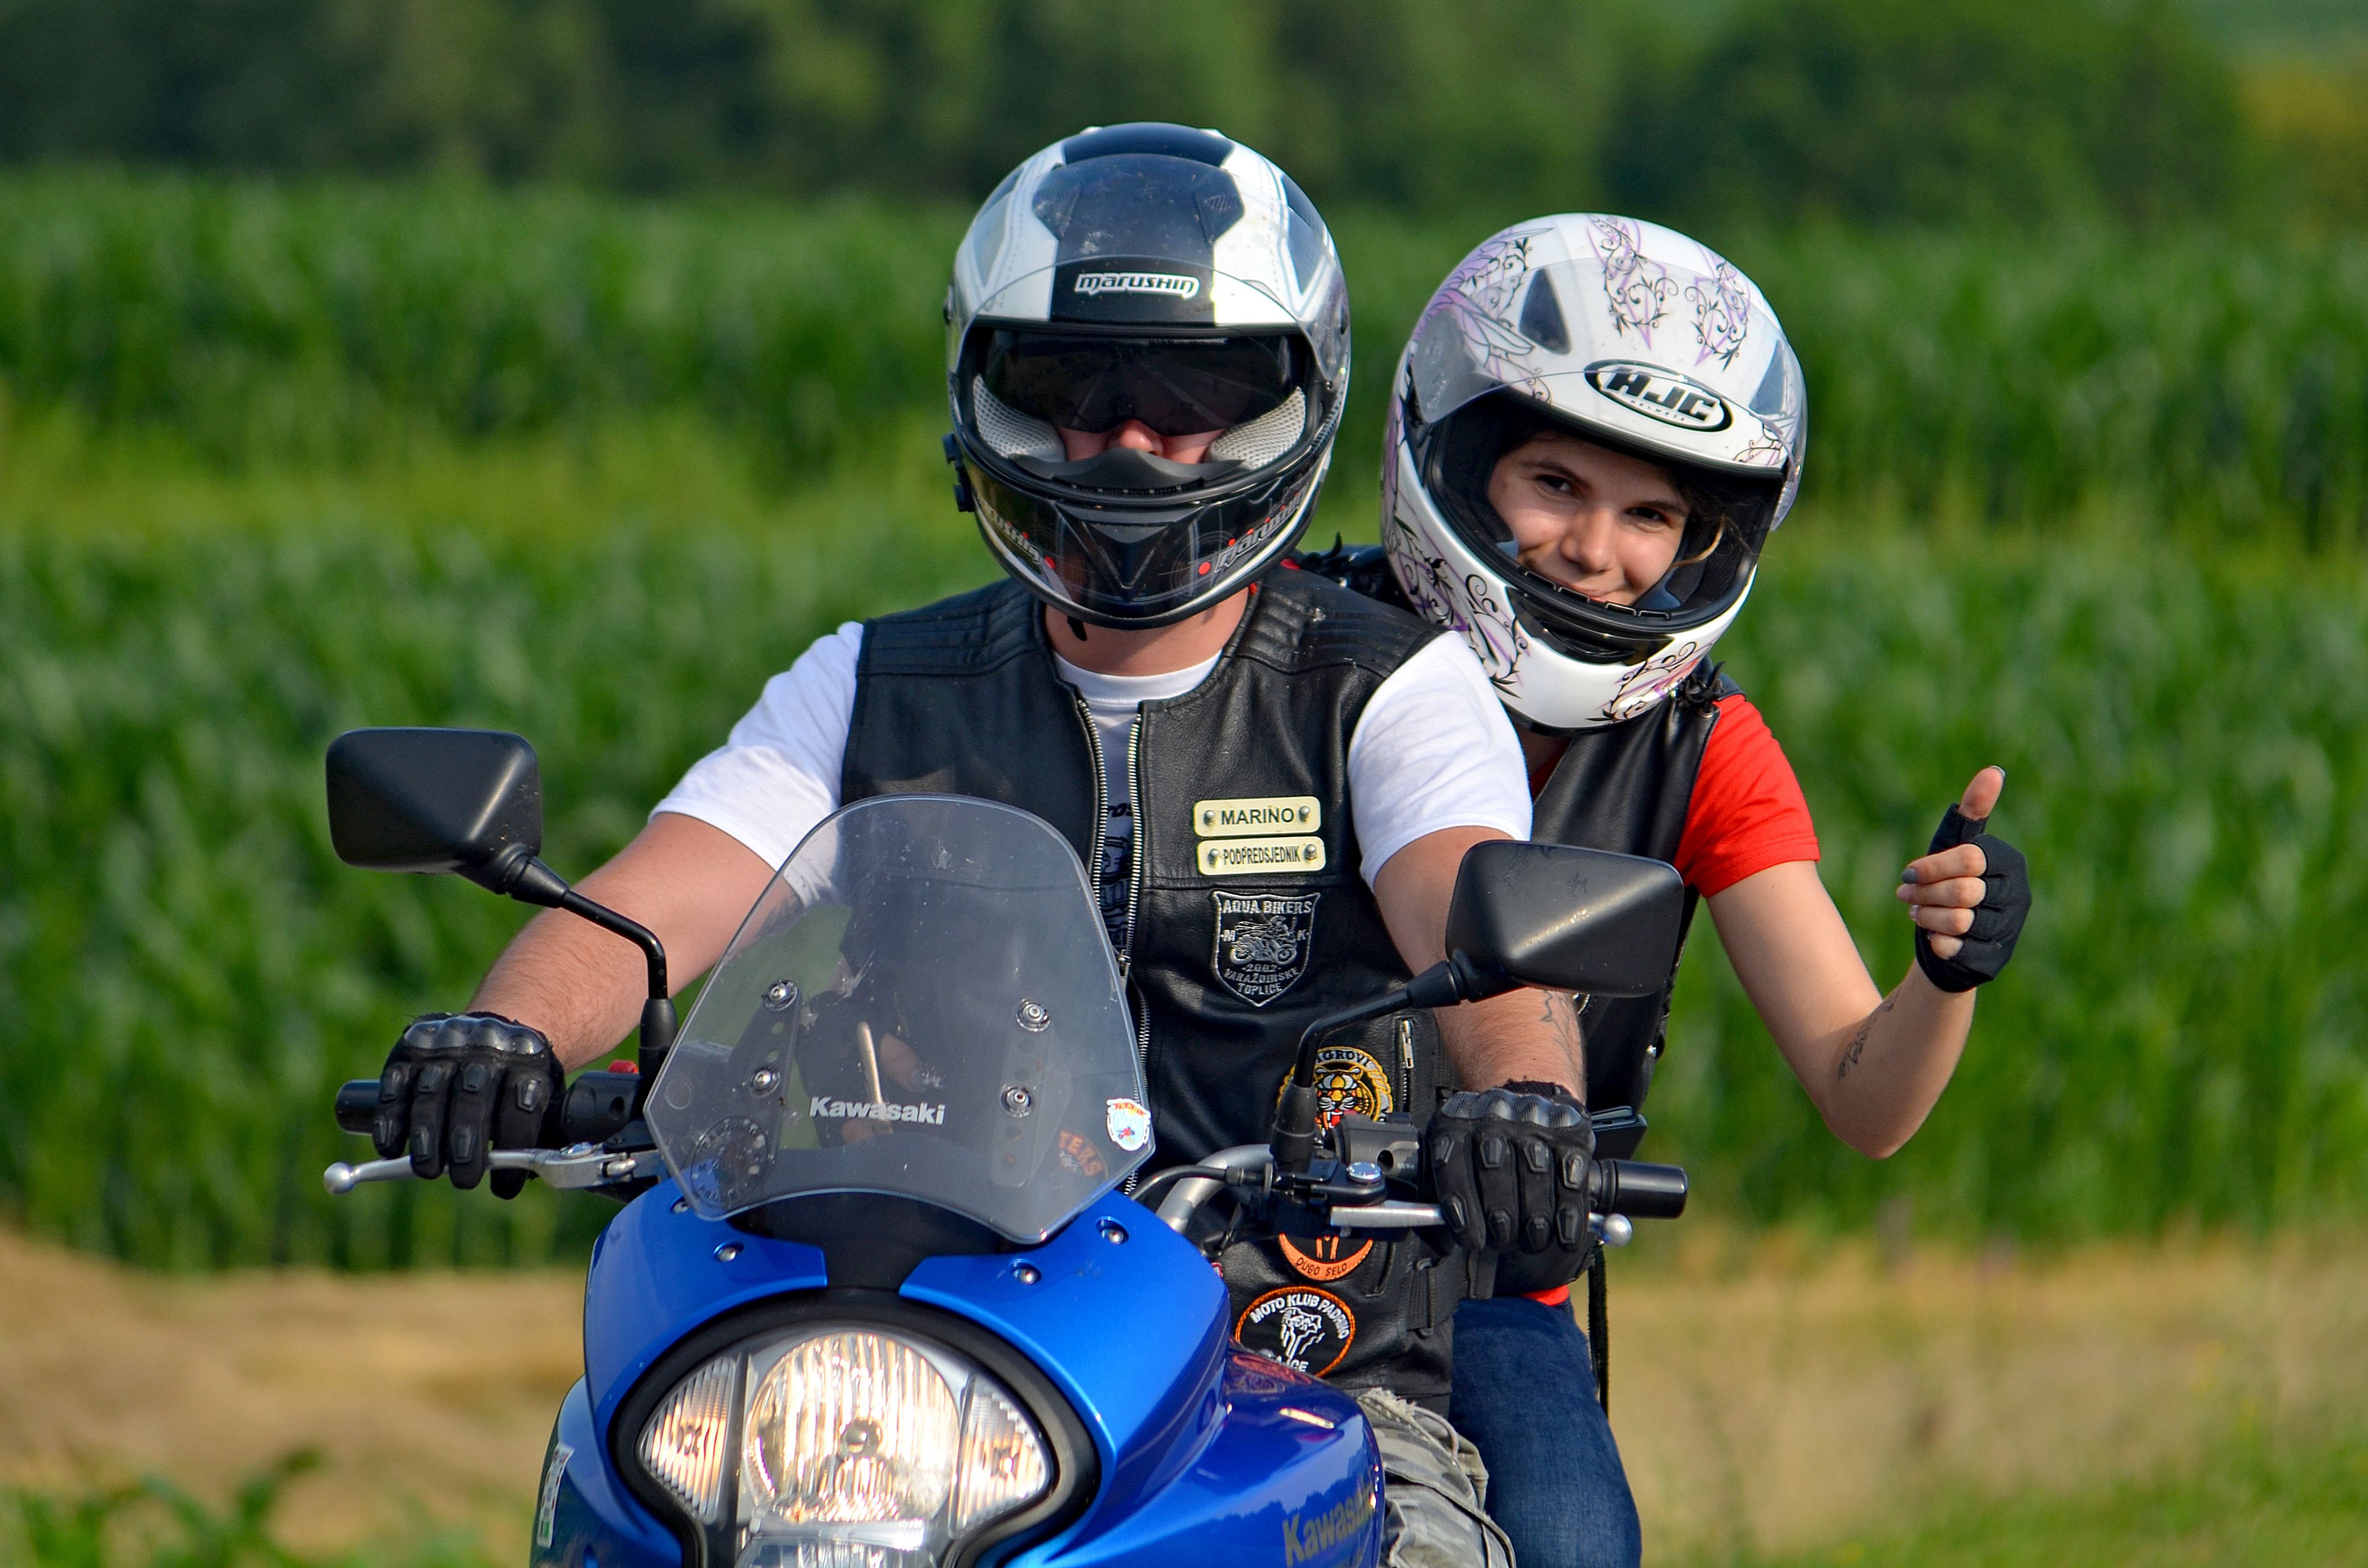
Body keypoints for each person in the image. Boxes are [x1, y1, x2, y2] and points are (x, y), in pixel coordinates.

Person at [366, 127, 1606, 1421]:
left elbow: (1475, 921)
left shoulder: (1384, 688)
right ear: (994, 392)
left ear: (1285, 405)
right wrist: (506, 1028)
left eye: (1190, 398)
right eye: (1075, 385)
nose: (1132, 442)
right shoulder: (875, 682)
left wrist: (1520, 1095)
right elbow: (657, 903)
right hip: (924, 1353)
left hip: (1304, 1367)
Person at [1302, 214, 2034, 1568]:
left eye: (1653, 514)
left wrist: (1947, 970)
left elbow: (1863, 1094)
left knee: (1574, 1542)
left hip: (1483, 1284)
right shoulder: (1280, 652)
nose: (1597, 549)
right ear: (1450, 459)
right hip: (1216, 1241)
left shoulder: (1700, 747)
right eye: (1552, 483)